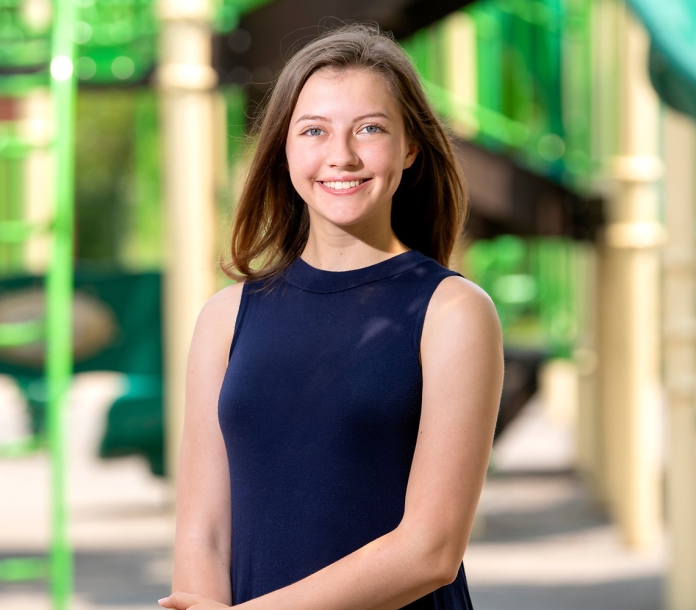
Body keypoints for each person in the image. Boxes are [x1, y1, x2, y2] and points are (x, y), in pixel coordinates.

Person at [157, 23, 503, 610]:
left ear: (410, 147)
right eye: (313, 130)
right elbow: (203, 533)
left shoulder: (454, 313)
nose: (341, 155)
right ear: (284, 149)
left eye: (370, 129)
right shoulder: (226, 316)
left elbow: (431, 551)